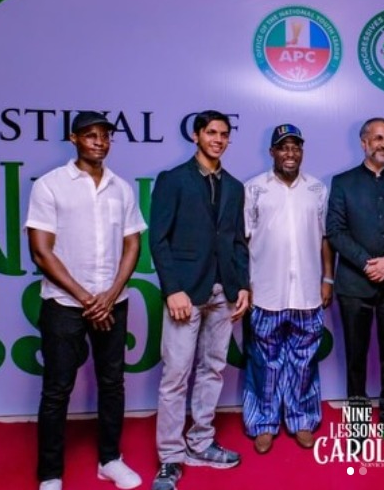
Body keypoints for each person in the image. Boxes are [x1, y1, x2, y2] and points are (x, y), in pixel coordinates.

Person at [26, 111, 146, 490]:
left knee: (112, 383)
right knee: (57, 389)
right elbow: (41, 252)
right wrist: (87, 298)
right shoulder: (50, 186)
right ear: (74, 139)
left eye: (105, 136)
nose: (99, 142)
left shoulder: (121, 188)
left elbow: (133, 244)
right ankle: (50, 473)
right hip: (64, 305)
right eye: (90, 135)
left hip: (113, 302)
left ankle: (110, 460)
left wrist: (109, 296)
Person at [149, 110, 250, 490]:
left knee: (213, 370)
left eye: (224, 134)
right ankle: (170, 457)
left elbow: (237, 241)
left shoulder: (235, 187)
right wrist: (172, 288)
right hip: (185, 293)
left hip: (224, 293)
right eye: (211, 132)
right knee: (175, 376)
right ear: (196, 136)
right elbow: (158, 239)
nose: (218, 139)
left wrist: (242, 286)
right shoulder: (173, 179)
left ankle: (201, 442)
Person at [326, 117, 384, 454]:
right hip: (355, 285)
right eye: (378, 138)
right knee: (356, 359)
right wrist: (368, 263)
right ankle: (358, 427)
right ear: (364, 143)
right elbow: (335, 231)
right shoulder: (343, 183)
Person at [242, 124, 334, 454]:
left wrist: (327, 278)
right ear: (272, 152)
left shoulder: (317, 189)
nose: (290, 153)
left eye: (296, 147)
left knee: (304, 361)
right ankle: (263, 423)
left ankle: (302, 419)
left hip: (307, 291)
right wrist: (246, 286)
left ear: (302, 152)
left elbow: (324, 238)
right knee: (264, 363)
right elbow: (244, 240)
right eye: (283, 147)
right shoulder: (254, 189)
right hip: (266, 292)